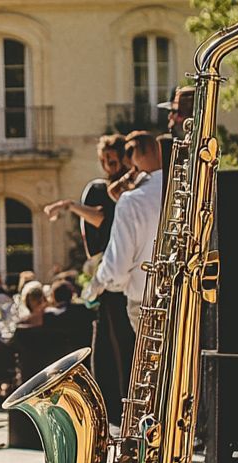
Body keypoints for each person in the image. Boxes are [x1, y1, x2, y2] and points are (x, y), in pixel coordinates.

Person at [84, 131, 164, 334]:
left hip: (145, 303)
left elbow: (117, 269)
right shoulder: (181, 189)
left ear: (131, 161)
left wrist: (97, 283)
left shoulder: (132, 201)